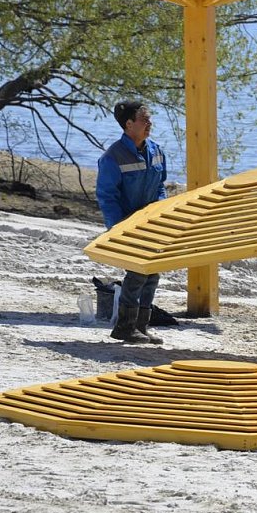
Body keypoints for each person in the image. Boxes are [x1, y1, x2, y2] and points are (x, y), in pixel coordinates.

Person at [96, 100, 167, 344]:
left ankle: (141, 326)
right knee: (137, 274)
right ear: (129, 124)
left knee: (153, 273)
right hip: (128, 224)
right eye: (144, 120)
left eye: (149, 119)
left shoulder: (156, 150)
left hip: (153, 223)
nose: (150, 124)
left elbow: (160, 186)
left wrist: (162, 210)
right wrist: (117, 229)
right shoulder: (113, 157)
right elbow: (107, 196)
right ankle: (125, 327)